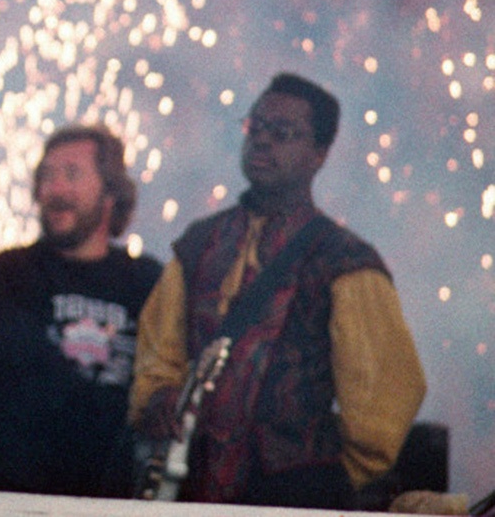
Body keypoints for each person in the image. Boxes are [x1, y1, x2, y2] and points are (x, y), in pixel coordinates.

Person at [129, 73, 427, 507]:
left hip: (294, 500)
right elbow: (157, 359)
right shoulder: (198, 245)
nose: (262, 141)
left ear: (319, 154)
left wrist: (320, 481)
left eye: (283, 133)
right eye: (256, 126)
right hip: (190, 491)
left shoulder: (345, 261)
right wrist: (159, 400)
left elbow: (383, 407)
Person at [0, 123, 162, 497]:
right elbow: (22, 385)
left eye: (72, 174)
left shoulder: (145, 282)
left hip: (107, 497)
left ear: (110, 191)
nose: (55, 190)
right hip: (7, 493)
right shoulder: (8, 274)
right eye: (46, 176)